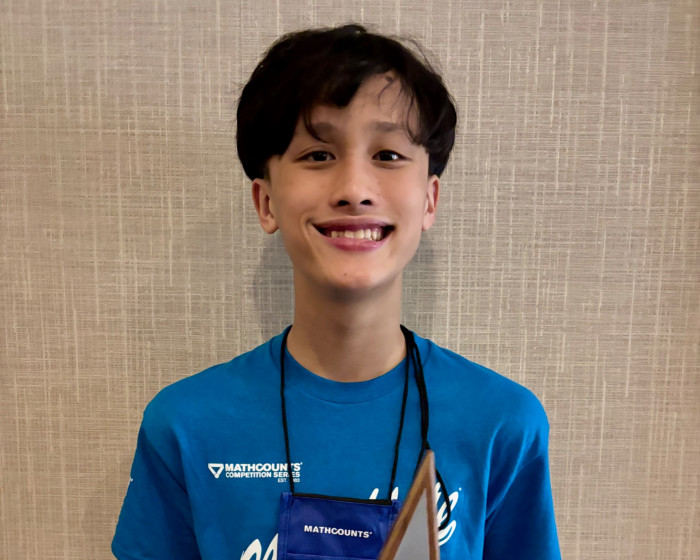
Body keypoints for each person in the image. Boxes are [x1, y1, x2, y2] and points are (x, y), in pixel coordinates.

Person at [112, 24, 561, 560]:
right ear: (266, 202)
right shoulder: (185, 427)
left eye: (388, 155)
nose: (354, 189)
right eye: (318, 155)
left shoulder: (502, 425)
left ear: (429, 201)